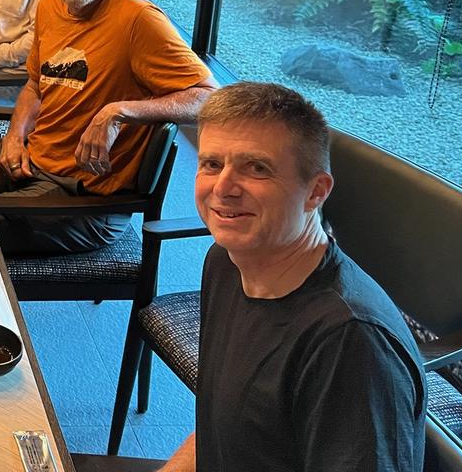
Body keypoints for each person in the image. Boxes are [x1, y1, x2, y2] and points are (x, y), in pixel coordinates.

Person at [160, 82, 425, 472]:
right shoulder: (227, 261)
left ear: (316, 192)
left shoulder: (351, 342)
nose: (223, 187)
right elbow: (226, 429)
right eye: (212, 164)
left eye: (257, 168)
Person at [0, 0, 217, 254]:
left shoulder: (139, 21)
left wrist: (118, 112)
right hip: (35, 158)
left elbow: (211, 99)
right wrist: (14, 136)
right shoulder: (49, 7)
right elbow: (36, 85)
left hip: (85, 200)